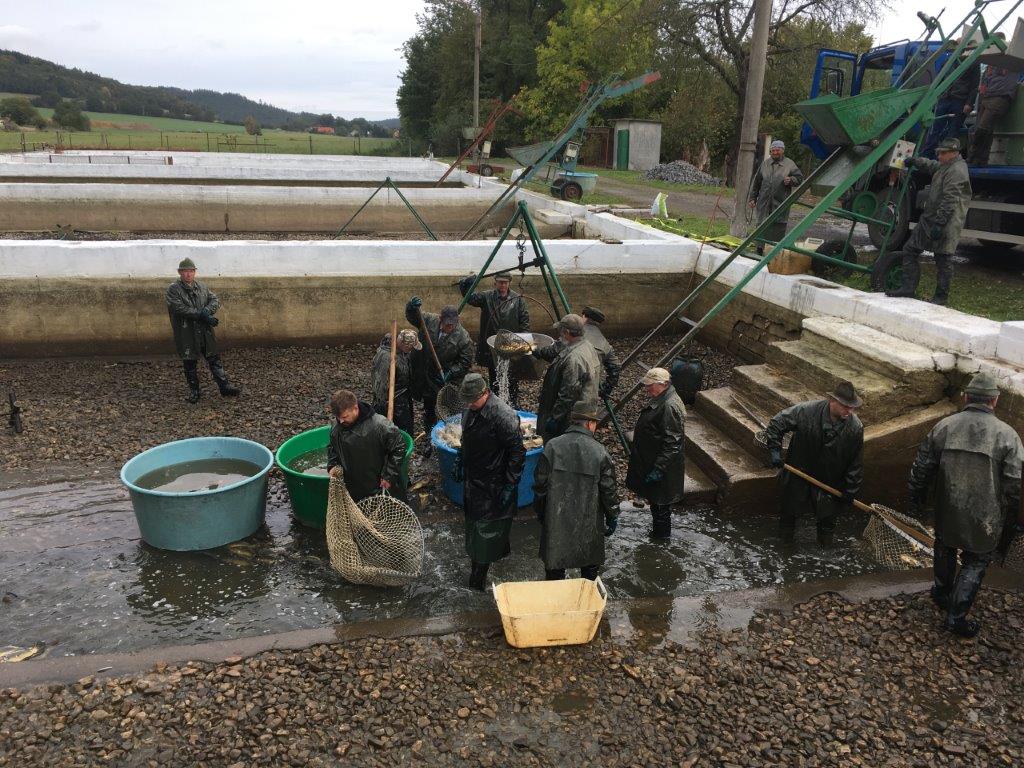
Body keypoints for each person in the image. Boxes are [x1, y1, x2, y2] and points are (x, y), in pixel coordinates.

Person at [906, 372, 1024, 638]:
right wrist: (1010, 520)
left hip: (947, 506)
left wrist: (915, 499)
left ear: (966, 397)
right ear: (994, 400)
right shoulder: (1008, 436)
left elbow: (921, 468)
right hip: (985, 516)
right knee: (976, 560)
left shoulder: (944, 426)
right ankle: (956, 617)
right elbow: (1014, 484)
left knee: (944, 547)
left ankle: (942, 593)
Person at [764, 381, 864, 546]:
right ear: (832, 401)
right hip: (798, 471)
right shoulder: (806, 411)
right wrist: (775, 450)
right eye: (845, 406)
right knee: (788, 515)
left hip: (829, 481)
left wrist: (850, 490)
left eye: (852, 407)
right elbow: (777, 423)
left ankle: (825, 550)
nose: (849, 411)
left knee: (827, 523)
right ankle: (784, 548)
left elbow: (855, 462)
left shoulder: (855, 427)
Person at [453, 373, 526, 590]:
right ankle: (491, 563)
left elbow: (517, 451)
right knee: (477, 527)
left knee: (485, 533)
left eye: (473, 400)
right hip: (474, 480)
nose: (469, 404)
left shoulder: (503, 416)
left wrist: (510, 484)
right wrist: (460, 459)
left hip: (494, 484)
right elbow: (466, 438)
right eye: (467, 400)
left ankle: (477, 585)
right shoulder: (470, 409)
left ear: (485, 393)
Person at [533, 399, 619, 581]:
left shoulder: (552, 447)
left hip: (556, 521)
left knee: (554, 570)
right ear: (590, 423)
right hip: (589, 523)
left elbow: (540, 486)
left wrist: (541, 512)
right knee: (589, 572)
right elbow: (609, 490)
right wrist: (613, 515)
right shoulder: (600, 452)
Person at [884, 138, 972, 305]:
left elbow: (950, 200)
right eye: (939, 152)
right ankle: (907, 288)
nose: (939, 156)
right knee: (910, 249)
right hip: (930, 218)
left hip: (947, 221)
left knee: (943, 258)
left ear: (954, 153)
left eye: (943, 153)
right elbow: (931, 165)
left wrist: (939, 224)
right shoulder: (946, 165)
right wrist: (914, 161)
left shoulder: (957, 171)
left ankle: (941, 297)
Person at [165, 257, 240, 404]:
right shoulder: (173, 289)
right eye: (185, 271)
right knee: (190, 362)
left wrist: (206, 311)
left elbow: (214, 300)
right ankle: (194, 391)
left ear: (195, 272)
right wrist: (201, 315)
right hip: (186, 332)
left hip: (204, 331)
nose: (188, 274)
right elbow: (178, 308)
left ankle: (224, 386)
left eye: (191, 271)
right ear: (180, 272)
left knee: (214, 359)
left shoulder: (202, 287)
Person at [625, 367, 686, 539]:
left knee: (661, 507)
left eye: (650, 385)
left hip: (663, 468)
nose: (647, 388)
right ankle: (658, 536)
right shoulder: (662, 398)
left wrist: (658, 469)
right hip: (654, 461)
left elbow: (673, 443)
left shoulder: (670, 406)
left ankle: (661, 541)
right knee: (656, 504)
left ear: (663, 384)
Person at [458, 273, 530, 406]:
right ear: (495, 282)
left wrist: (524, 342)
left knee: (512, 376)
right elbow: (470, 298)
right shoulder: (487, 297)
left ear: (509, 283)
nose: (502, 285)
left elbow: (524, 321)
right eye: (500, 282)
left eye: (505, 282)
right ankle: (496, 404)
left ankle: (512, 404)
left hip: (511, 345)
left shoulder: (518, 300)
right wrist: (466, 284)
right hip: (492, 346)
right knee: (494, 375)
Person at [404, 297, 474, 432]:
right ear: (440, 318)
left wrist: (451, 372)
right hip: (421, 369)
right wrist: (411, 307)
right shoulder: (429, 320)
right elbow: (413, 317)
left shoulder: (463, 338)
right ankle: (429, 430)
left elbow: (465, 362)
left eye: (452, 325)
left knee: (443, 405)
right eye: (447, 324)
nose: (450, 327)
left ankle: (447, 430)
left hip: (441, 377)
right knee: (428, 404)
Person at [327, 388, 408, 503]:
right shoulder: (337, 427)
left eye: (345, 417)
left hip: (379, 486)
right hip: (352, 488)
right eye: (338, 418)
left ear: (355, 408)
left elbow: (399, 447)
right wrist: (332, 464)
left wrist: (389, 476)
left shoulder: (380, 425)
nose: (340, 421)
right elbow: (332, 447)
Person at [535, 314, 601, 442]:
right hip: (585, 410)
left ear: (567, 332)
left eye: (561, 332)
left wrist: (555, 418)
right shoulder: (586, 345)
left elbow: (568, 393)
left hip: (572, 415)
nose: (560, 335)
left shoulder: (574, 358)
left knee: (560, 444)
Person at [748, 139, 804, 255]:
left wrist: (791, 180)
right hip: (764, 201)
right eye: (773, 150)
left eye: (777, 150)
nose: (775, 152)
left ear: (782, 151)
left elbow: (799, 178)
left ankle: (775, 251)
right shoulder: (765, 164)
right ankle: (759, 249)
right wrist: (753, 198)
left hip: (780, 201)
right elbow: (757, 182)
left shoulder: (789, 164)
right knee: (761, 224)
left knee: (778, 225)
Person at [921, 49, 980, 159]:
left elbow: (974, 85)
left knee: (952, 132)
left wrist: (969, 103)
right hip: (944, 99)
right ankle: (927, 157)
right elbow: (939, 79)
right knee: (934, 130)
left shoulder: (974, 63)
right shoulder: (948, 60)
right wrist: (936, 95)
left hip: (960, 100)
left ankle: (946, 159)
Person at [967, 49, 1021, 166]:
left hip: (1000, 97)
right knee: (985, 130)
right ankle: (980, 159)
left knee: (982, 128)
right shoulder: (990, 65)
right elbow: (984, 81)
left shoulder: (1013, 61)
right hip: (986, 97)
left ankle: (973, 155)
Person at [369, 328, 420, 437]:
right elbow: (379, 384)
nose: (411, 350)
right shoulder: (385, 357)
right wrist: (384, 404)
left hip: (403, 394)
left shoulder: (402, 352)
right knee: (390, 429)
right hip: (391, 399)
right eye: (410, 347)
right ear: (403, 344)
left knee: (406, 426)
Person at [581, 306, 622, 399]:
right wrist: (606, 389)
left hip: (567, 389)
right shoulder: (605, 344)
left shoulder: (574, 334)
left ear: (584, 317)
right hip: (590, 392)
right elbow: (616, 367)